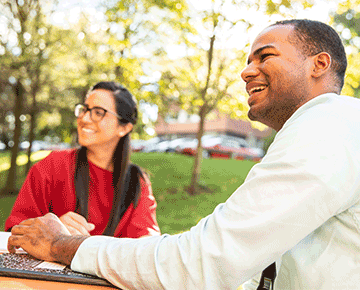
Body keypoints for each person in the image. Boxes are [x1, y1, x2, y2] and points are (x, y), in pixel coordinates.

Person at [8, 19, 360, 290]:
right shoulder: (52, 167)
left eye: (265, 55)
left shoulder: (329, 125)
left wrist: (64, 245)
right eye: (84, 109)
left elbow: (201, 261)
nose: (245, 71)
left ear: (319, 64)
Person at [5, 81, 160, 238]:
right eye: (85, 109)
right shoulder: (52, 166)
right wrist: (51, 229)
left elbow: (147, 247)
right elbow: (15, 232)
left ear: (124, 127)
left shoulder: (137, 182)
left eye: (98, 112)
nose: (84, 118)